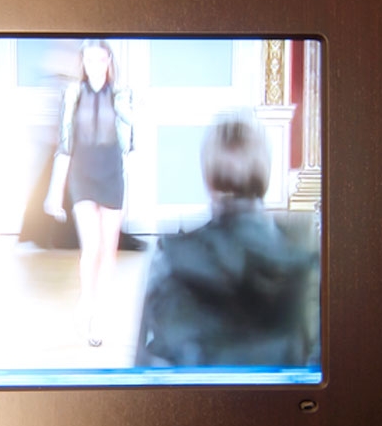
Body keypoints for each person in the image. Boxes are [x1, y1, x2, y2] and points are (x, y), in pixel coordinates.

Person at [135, 112, 319, 368]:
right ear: (265, 173)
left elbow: (148, 369)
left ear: (208, 177)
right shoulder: (305, 257)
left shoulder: (171, 256)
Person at [44, 40, 132, 346]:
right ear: (83, 63)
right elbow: (64, 145)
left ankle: (100, 314)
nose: (96, 66)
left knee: (109, 250)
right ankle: (87, 301)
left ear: (109, 62)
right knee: (91, 247)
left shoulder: (121, 94)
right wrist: (54, 192)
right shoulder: (73, 95)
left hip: (112, 176)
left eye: (101, 60)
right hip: (82, 177)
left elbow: (130, 144)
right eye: (90, 60)